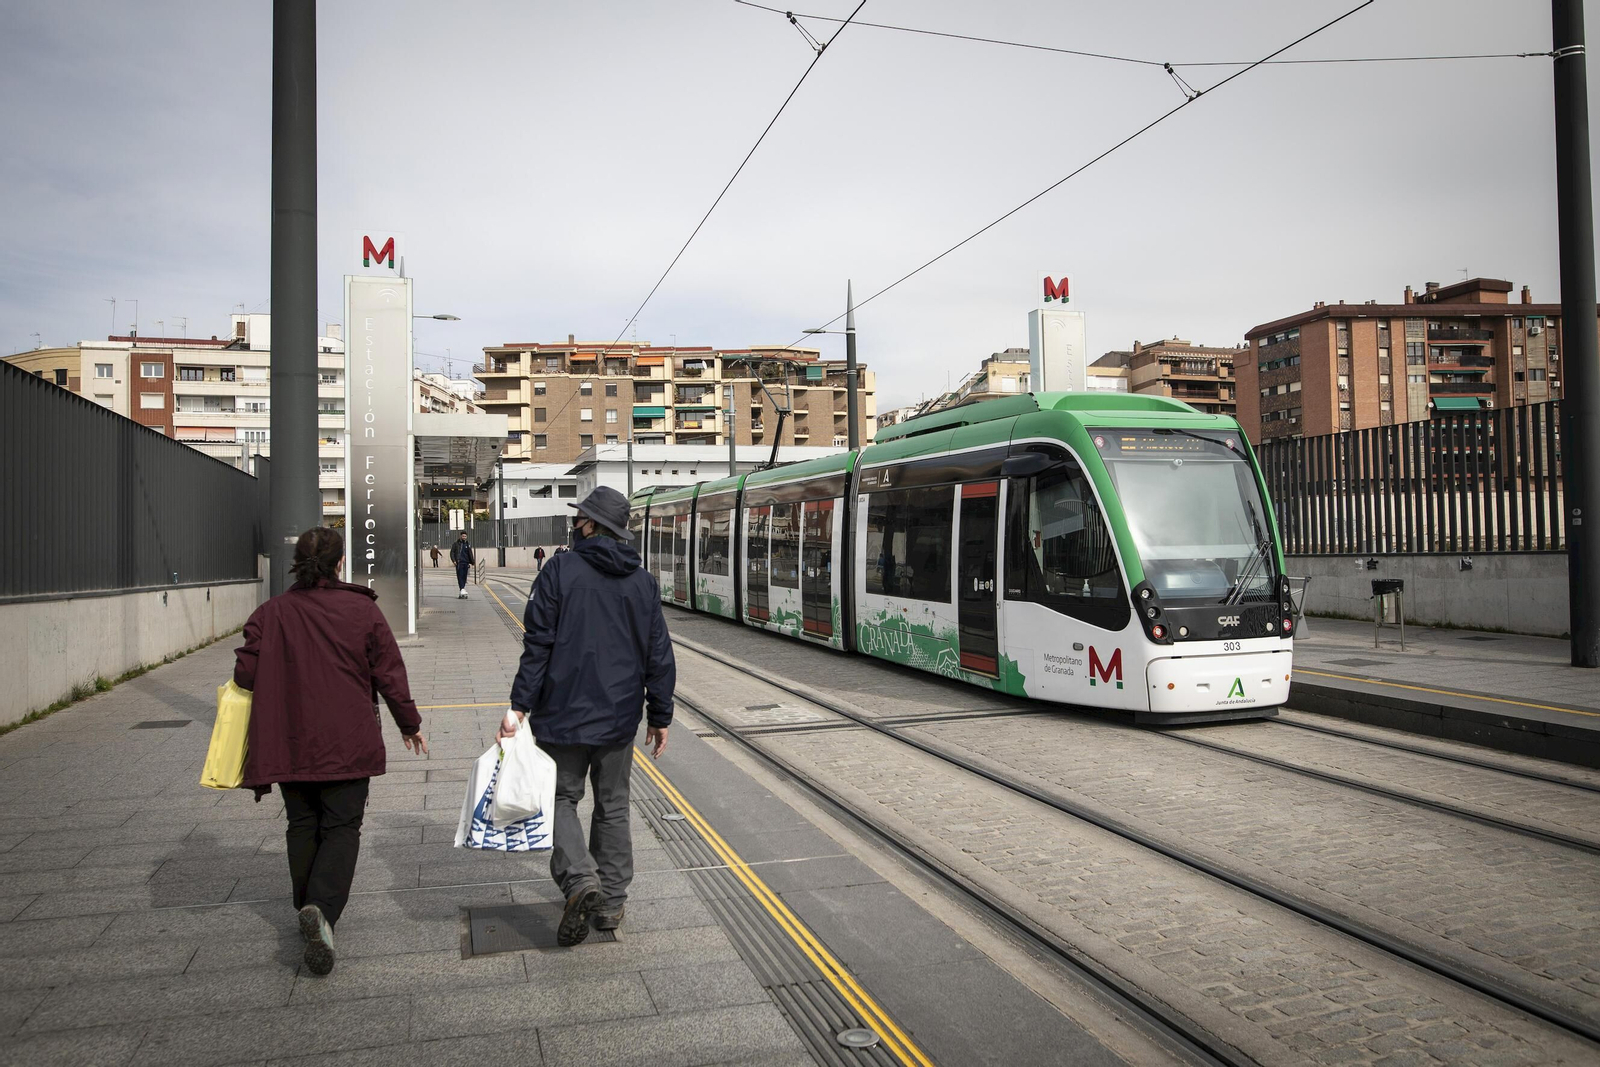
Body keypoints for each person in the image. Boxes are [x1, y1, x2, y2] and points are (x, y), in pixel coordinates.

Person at [233, 527, 427, 977]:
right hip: (347, 742)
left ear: (298, 565)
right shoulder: (362, 610)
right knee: (342, 827)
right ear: (341, 563)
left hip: (290, 742)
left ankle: (308, 907)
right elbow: (389, 673)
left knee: (303, 824)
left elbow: (245, 675)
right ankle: (320, 910)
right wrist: (409, 724)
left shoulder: (271, 612)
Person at [504, 485, 675, 946]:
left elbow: (537, 644)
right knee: (614, 804)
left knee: (560, 799)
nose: (574, 523)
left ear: (592, 525)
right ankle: (612, 902)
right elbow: (659, 653)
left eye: (579, 517)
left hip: (562, 712)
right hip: (619, 717)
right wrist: (659, 714)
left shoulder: (559, 570)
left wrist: (519, 706)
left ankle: (580, 880)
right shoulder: (642, 581)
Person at [449, 531, 475, 599]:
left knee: (464, 576)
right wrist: (454, 560)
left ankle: (462, 589)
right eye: (463, 536)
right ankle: (462, 589)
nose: (464, 537)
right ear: (460, 536)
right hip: (459, 562)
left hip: (466, 562)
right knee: (460, 576)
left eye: (465, 536)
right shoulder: (456, 544)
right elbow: (452, 552)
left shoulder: (467, 544)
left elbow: (470, 553)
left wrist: (472, 562)